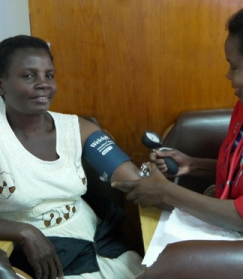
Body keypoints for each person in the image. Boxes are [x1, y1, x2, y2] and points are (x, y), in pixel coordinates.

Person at [112, 2, 243, 247]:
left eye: (234, 66)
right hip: (228, 235)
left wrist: (166, 192)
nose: (228, 75)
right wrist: (192, 166)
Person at [0, 35, 146, 278]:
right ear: (1, 84)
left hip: (99, 243)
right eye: (28, 75)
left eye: (49, 75)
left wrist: (157, 185)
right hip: (34, 260)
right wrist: (23, 231)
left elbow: (132, 180)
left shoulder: (78, 129)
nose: (44, 83)